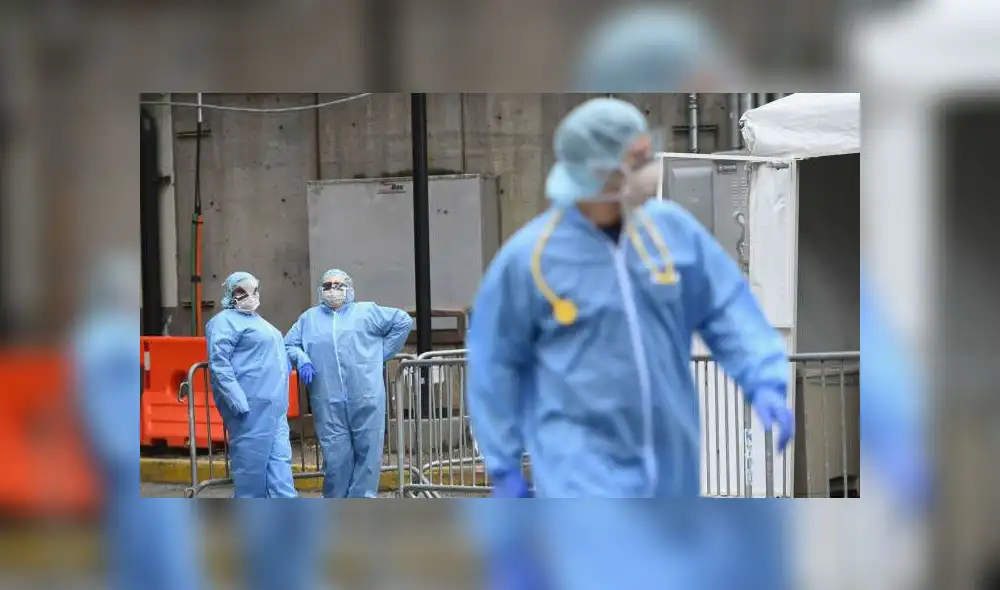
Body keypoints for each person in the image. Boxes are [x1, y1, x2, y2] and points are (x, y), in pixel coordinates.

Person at [466, 97, 794, 499]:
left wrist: (763, 379)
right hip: (580, 471)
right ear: (599, 172)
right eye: (638, 161)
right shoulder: (530, 260)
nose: (650, 170)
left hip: (672, 466)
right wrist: (502, 463)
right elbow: (494, 362)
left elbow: (726, 307)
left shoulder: (671, 233)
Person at [73, 253, 203, 589]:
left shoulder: (108, 335)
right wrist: (116, 450)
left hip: (126, 458)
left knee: (150, 542)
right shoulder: (102, 338)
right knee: (150, 544)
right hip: (124, 459)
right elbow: (95, 403)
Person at [285, 268, 414, 498]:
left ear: (349, 288)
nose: (333, 290)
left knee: (368, 455)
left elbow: (402, 321)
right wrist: (300, 357)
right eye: (327, 286)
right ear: (319, 290)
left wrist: (382, 353)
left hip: (366, 395)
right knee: (336, 460)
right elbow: (288, 345)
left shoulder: (367, 312)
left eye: (338, 285)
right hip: (327, 399)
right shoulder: (309, 319)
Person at [205, 271, 297, 498]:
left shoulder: (260, 323)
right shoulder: (222, 323)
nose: (249, 295)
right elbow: (219, 364)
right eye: (241, 291)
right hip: (250, 409)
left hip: (275, 408)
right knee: (251, 474)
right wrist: (238, 402)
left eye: (253, 290)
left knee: (280, 470)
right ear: (229, 294)